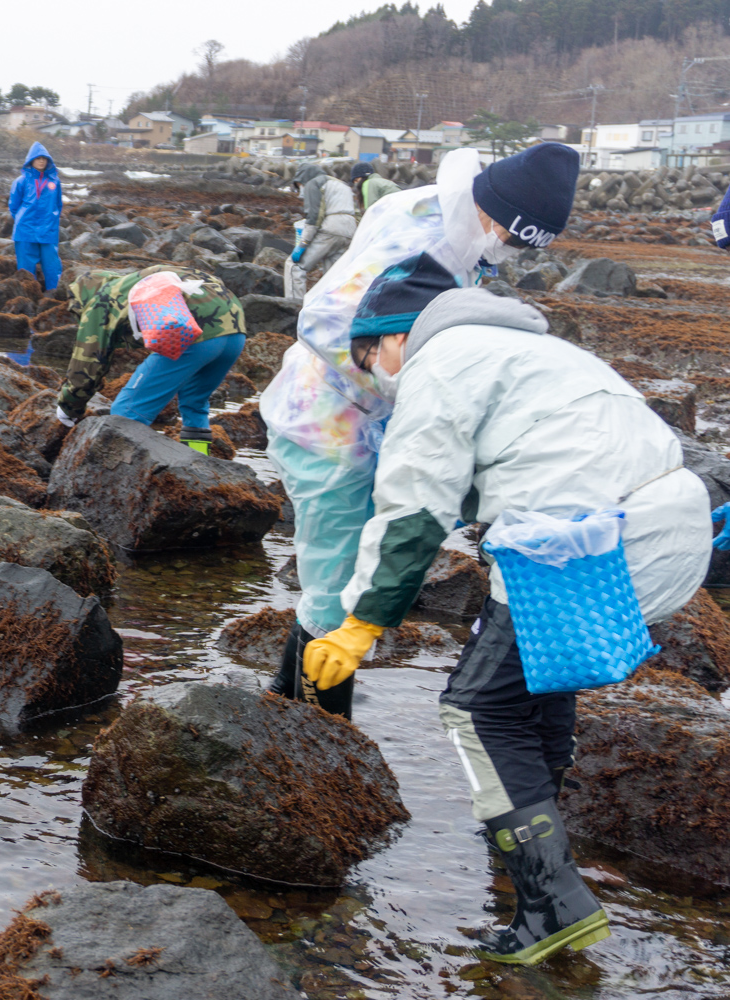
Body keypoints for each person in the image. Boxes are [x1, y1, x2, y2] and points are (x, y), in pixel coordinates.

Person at [302, 256, 708, 965]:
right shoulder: (527, 349)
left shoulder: (441, 363)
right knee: (537, 690)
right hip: (664, 528)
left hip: (585, 545)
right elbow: (495, 468)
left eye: (372, 360)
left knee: (477, 708)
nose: (378, 377)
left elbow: (414, 510)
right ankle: (528, 843)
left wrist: (361, 623)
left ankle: (553, 902)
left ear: (397, 338)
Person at [262, 142, 580, 719]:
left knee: (346, 572)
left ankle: (280, 710)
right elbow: (326, 320)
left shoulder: (448, 219)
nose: (507, 251)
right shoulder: (419, 238)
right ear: (490, 208)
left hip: (375, 426)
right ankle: (322, 735)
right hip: (327, 423)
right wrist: (414, 387)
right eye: (509, 236)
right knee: (335, 588)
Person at [54, 264, 246, 453]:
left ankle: (116, 478)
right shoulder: (135, 282)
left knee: (126, 412)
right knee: (194, 404)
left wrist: (69, 407)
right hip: (235, 330)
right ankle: (199, 463)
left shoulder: (101, 300)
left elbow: (87, 364)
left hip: (196, 336)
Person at [284, 160, 358, 302]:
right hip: (349, 230)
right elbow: (357, 213)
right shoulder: (342, 185)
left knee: (294, 266)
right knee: (334, 276)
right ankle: (332, 310)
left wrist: (303, 244)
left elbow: (314, 216)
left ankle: (293, 308)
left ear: (304, 178)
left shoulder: (314, 183)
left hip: (331, 228)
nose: (301, 189)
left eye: (300, 185)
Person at [8, 141, 63, 291]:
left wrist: (51, 221)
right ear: (31, 160)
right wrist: (22, 220)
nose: (41, 161)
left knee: (52, 266)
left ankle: (54, 294)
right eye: (38, 158)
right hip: (25, 231)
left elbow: (58, 205)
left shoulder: (54, 182)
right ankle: (28, 297)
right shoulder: (21, 181)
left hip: (48, 231)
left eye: (44, 158)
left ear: (48, 160)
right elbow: (13, 206)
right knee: (25, 271)